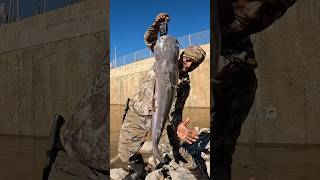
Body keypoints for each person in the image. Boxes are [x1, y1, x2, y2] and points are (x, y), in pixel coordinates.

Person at [212, 0, 298, 179]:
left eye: (272, 10)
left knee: (220, 154)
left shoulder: (241, 74)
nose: (256, 13)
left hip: (237, 73)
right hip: (228, 70)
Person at [117, 13, 207, 179]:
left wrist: (178, 125)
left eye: (193, 64)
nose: (187, 65)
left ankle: (200, 175)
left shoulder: (184, 85)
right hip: (137, 114)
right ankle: (139, 170)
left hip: (164, 120)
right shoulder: (162, 56)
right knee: (124, 152)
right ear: (181, 55)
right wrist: (157, 25)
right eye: (187, 59)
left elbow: (176, 110)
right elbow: (150, 39)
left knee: (179, 152)